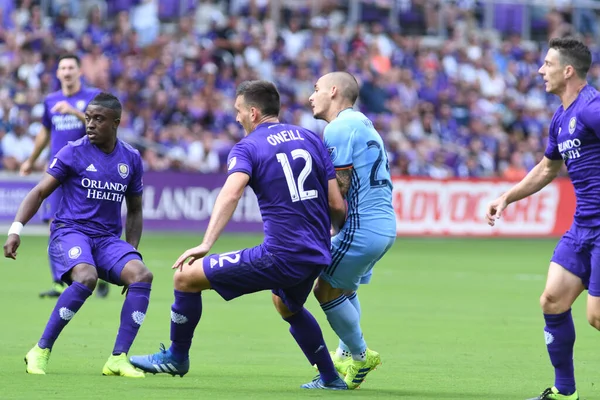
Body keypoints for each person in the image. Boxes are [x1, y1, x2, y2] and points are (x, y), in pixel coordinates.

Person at [129, 80, 349, 390]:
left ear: (254, 112)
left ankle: (177, 357)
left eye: (238, 111)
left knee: (185, 277)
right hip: (315, 253)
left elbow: (231, 193)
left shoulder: (248, 147)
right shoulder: (310, 138)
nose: (236, 118)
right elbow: (336, 204)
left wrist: (207, 242)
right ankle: (330, 378)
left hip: (280, 256)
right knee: (286, 304)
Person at [4, 93, 152, 377]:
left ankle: (118, 359)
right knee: (86, 277)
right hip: (70, 232)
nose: (90, 124)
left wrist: (131, 252)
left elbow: (135, 210)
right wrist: (16, 230)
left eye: (98, 119)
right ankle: (41, 350)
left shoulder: (131, 158)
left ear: (116, 123)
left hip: (107, 239)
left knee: (142, 275)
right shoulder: (72, 151)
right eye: (88, 118)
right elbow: (38, 192)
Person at [486, 37, 599, 400]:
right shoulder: (561, 116)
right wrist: (507, 197)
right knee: (552, 300)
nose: (540, 70)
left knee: (596, 316)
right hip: (583, 226)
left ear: (568, 71)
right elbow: (547, 169)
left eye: (547, 64)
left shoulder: (591, 109)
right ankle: (566, 392)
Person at [308, 71, 396, 389]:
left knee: (323, 288)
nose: (310, 96)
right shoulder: (362, 124)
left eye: (316, 89)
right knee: (343, 288)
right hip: (382, 225)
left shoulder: (339, 128)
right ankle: (346, 354)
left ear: (333, 91)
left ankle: (359, 355)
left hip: (362, 225)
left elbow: (339, 192)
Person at [19, 54, 109, 299]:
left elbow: (103, 125)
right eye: (62, 68)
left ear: (79, 71)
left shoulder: (93, 97)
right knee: (54, 226)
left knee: (92, 227)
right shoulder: (51, 100)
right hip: (58, 172)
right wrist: (31, 160)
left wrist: (74, 112)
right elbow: (45, 132)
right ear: (57, 74)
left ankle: (100, 273)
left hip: (89, 172)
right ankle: (60, 281)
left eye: (71, 67)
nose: (67, 71)